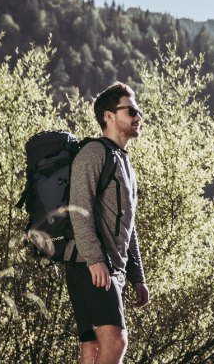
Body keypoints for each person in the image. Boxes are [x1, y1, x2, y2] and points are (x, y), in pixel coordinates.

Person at [67, 82, 150, 364]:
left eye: (138, 111)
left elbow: (128, 225)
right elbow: (79, 208)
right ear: (109, 116)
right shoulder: (93, 153)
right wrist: (94, 259)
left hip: (109, 265)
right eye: (132, 110)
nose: (139, 117)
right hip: (88, 265)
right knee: (115, 340)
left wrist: (137, 276)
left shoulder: (124, 162)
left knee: (92, 350)